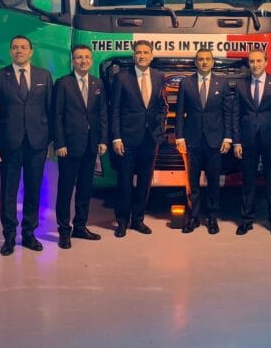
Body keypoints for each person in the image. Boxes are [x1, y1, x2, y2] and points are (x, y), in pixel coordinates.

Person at [0, 35, 53, 255]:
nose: (19, 51)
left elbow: (50, 110)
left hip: (37, 142)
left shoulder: (44, 75)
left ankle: (29, 233)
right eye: (15, 47)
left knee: (33, 189)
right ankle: (9, 236)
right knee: (8, 191)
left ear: (31, 51)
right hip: (8, 143)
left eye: (23, 47)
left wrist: (50, 141)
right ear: (10, 51)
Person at [53, 44, 108, 249]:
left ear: (91, 60)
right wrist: (59, 142)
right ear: (72, 60)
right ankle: (63, 230)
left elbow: (102, 114)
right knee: (65, 189)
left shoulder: (97, 83)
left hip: (91, 145)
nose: (83, 61)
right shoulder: (63, 83)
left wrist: (103, 140)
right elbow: (57, 116)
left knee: (85, 188)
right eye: (79, 57)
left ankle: (80, 226)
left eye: (86, 57)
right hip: (68, 146)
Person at [111, 40, 168, 238]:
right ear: (133, 56)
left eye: (145, 52)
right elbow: (114, 110)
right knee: (124, 181)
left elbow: (162, 106)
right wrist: (116, 137)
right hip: (126, 138)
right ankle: (122, 221)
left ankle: (138, 220)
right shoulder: (121, 77)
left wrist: (160, 127)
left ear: (152, 55)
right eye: (138, 53)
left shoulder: (159, 77)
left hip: (150, 138)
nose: (142, 56)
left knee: (144, 181)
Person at [175, 48, 232, 235]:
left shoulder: (222, 83)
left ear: (212, 62)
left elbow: (227, 113)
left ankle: (212, 217)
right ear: (196, 62)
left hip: (215, 141)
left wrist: (228, 137)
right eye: (201, 59)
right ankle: (193, 217)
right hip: (192, 141)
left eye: (208, 59)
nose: (204, 62)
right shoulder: (186, 83)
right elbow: (179, 113)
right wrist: (179, 137)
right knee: (193, 182)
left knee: (214, 182)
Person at [233, 50, 271, 237]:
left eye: (258, 61)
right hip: (247, 140)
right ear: (248, 64)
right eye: (252, 61)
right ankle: (246, 221)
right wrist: (236, 141)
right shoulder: (241, 85)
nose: (255, 64)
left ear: (266, 62)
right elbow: (236, 115)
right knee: (248, 182)